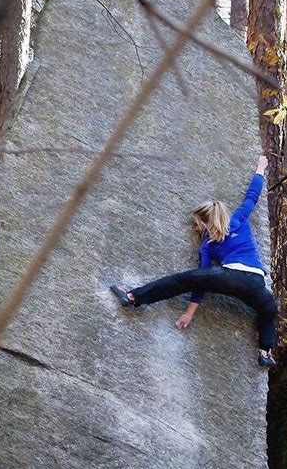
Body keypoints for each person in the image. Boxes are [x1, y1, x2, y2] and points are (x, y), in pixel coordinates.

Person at [110, 156, 278, 368]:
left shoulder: (207, 245)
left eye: (196, 223)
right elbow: (252, 196)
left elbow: (200, 280)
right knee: (267, 311)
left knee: (184, 279)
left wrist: (190, 312)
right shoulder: (238, 219)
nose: (195, 227)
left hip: (231, 277)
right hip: (257, 284)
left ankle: (133, 296)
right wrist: (260, 168)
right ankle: (265, 352)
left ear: (203, 221)